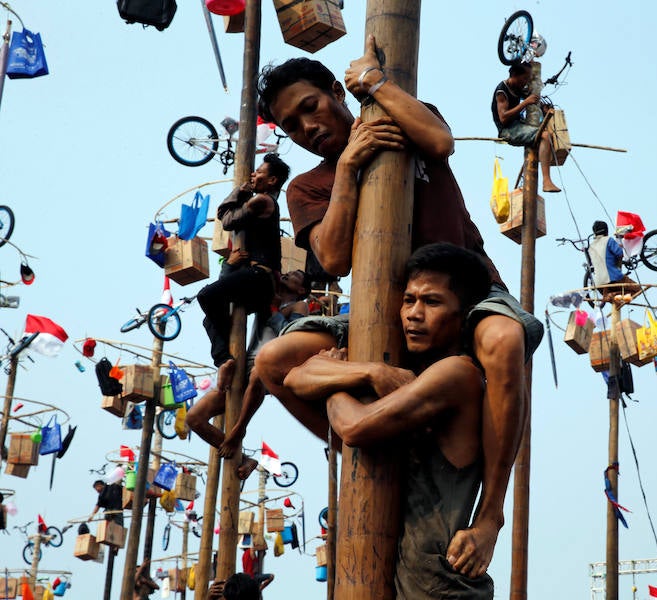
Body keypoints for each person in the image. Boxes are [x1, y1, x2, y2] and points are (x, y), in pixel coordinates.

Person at [255, 35, 543, 572]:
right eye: (291, 126)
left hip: (468, 295)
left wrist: (376, 82)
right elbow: (334, 257)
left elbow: (440, 140)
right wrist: (347, 170)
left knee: (504, 339)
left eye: (311, 108)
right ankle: (378, 448)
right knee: (272, 360)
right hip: (383, 316)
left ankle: (492, 514)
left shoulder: (398, 114)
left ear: (337, 94)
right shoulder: (308, 187)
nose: (307, 128)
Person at [289, 243, 494, 597]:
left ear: (463, 316)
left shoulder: (458, 374)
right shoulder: (414, 375)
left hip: (440, 586)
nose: (414, 313)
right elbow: (292, 378)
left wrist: (335, 379)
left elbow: (354, 427)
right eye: (408, 300)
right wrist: (370, 371)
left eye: (432, 302)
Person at [187, 269, 310, 479]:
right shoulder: (266, 298)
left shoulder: (299, 305)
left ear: (301, 289)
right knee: (194, 419)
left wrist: (273, 310)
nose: (289, 273)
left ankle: (239, 430)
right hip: (245, 363)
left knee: (257, 375)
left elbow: (291, 333)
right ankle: (245, 459)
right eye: (288, 272)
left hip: (272, 364)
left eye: (297, 274)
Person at [197, 153, 289, 387]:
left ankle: (224, 358)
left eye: (259, 172)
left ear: (273, 181)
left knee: (206, 295)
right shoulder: (263, 200)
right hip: (256, 282)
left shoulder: (263, 201)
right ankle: (225, 360)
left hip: (260, 278)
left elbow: (226, 219)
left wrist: (240, 189)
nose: (253, 174)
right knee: (210, 321)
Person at [491, 59, 560, 193]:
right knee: (545, 136)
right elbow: (503, 118)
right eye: (524, 79)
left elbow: (530, 97)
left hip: (519, 124)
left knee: (545, 130)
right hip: (508, 130)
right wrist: (525, 103)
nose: (526, 83)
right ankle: (547, 181)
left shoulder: (517, 87)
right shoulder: (502, 91)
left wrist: (542, 107)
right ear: (514, 75)